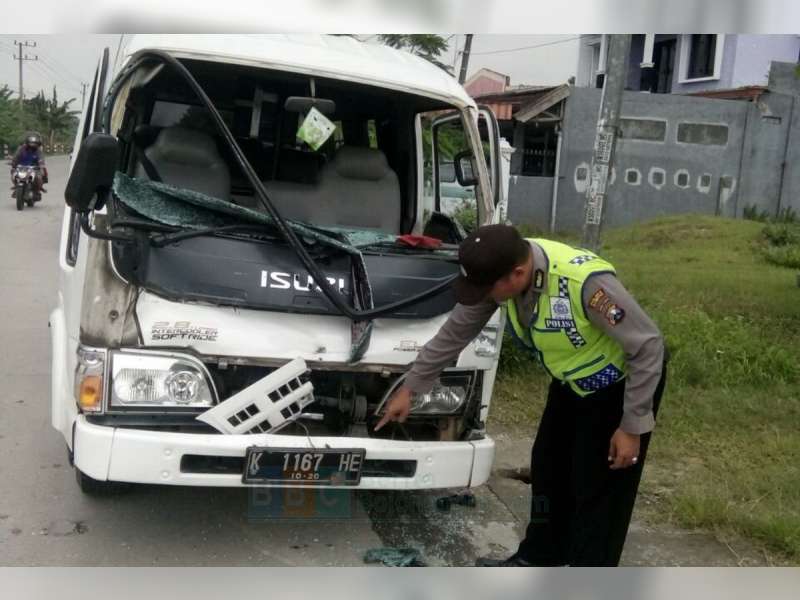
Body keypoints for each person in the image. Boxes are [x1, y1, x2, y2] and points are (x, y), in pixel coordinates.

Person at [375, 224, 667, 567]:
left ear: (517, 273)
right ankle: (539, 557)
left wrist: (632, 427)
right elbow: (455, 332)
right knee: (548, 470)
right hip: (571, 384)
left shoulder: (586, 285)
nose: (481, 296)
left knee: (599, 490)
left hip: (620, 388)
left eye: (486, 289)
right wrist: (411, 387)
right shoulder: (498, 273)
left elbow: (648, 346)